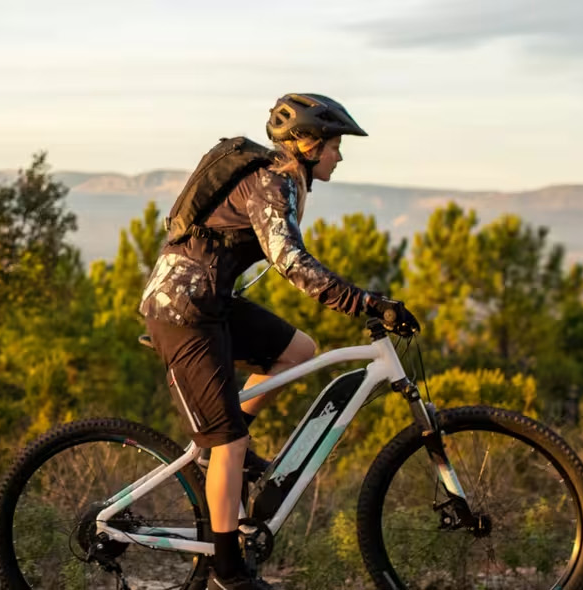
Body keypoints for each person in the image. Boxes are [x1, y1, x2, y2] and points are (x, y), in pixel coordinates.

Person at [139, 93, 418, 589]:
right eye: (335, 145)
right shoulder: (271, 181)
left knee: (298, 352)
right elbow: (291, 262)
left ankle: (223, 455)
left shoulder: (282, 180)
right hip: (183, 312)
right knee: (229, 439)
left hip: (211, 300)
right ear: (308, 144)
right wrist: (366, 303)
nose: (339, 155)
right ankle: (228, 569)